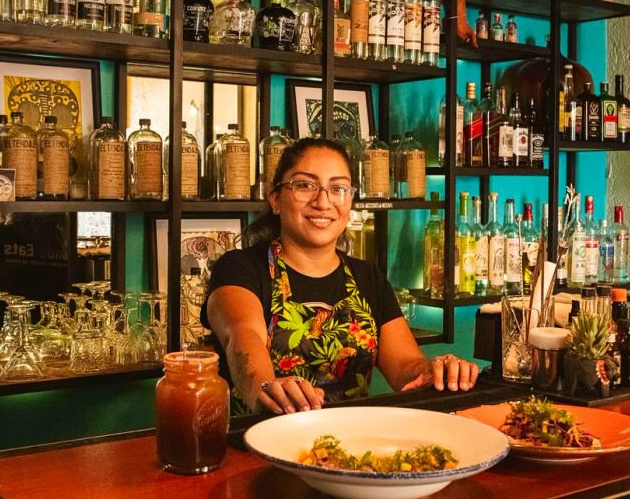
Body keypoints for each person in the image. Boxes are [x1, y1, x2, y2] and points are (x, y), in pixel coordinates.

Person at [203, 138, 479, 415]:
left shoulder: (366, 277)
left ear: (350, 202)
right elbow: (242, 340)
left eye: (338, 189)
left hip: (349, 446)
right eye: (305, 185)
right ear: (275, 199)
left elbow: (407, 367)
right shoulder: (240, 268)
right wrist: (267, 387)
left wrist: (437, 372)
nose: (323, 202)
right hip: (259, 443)